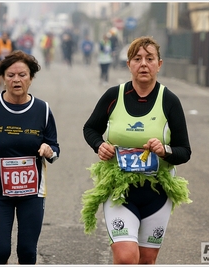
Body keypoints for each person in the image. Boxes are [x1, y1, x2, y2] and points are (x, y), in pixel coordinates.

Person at [81, 36, 192, 264]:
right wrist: (99, 145)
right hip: (118, 189)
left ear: (159, 64)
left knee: (146, 260)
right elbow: (90, 128)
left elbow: (184, 151)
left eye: (149, 59)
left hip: (158, 192)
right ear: (128, 64)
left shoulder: (169, 100)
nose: (143, 64)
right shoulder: (114, 96)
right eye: (137, 58)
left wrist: (164, 151)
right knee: (125, 257)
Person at [0, 50, 60, 264]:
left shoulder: (42, 110)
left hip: (32, 193)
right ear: (2, 77)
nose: (16, 80)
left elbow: (55, 147)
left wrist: (49, 150)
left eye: (22, 75)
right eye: (10, 75)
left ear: (31, 78)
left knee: (27, 253)